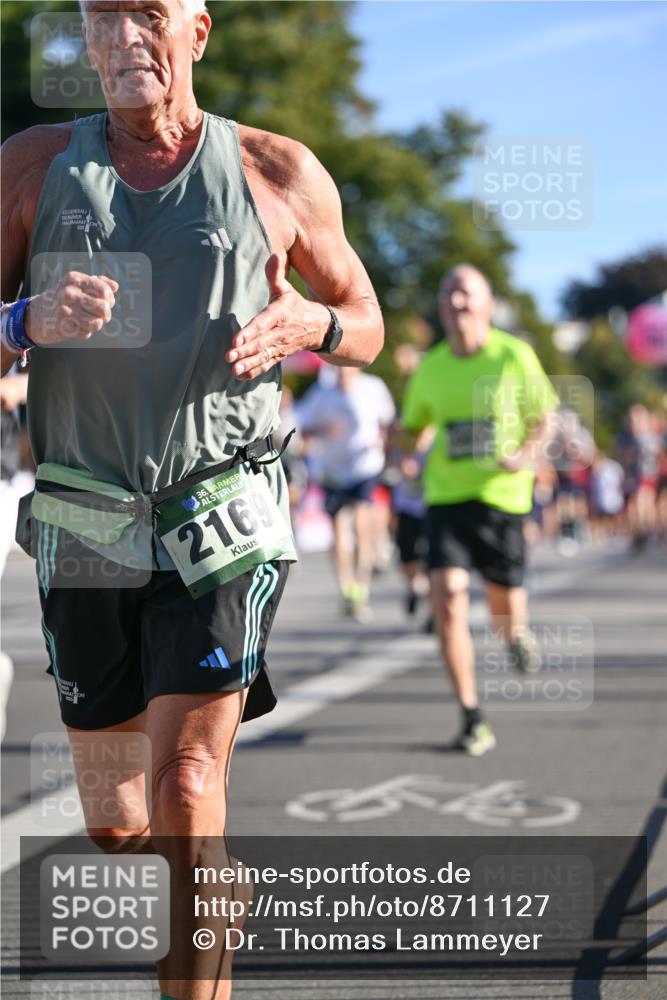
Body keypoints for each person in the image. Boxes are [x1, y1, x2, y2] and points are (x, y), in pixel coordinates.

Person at [1, 2, 383, 997]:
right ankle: (212, 881)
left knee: (188, 788)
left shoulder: (276, 169)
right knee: (121, 820)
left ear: (198, 33)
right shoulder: (35, 166)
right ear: (83, 42)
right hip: (86, 515)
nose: (125, 34)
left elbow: (367, 318)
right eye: (102, 17)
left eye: (149, 13)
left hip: (227, 506)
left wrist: (314, 323)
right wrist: (21, 316)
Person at [401, 264, 558, 756]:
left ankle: (516, 634)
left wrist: (527, 455)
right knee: (446, 593)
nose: (457, 301)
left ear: (488, 304)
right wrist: (408, 453)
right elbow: (417, 426)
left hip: (502, 498)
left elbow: (545, 421)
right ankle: (471, 716)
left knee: (504, 610)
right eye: (449, 293)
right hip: (447, 496)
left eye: (467, 293)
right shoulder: (432, 366)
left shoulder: (515, 356)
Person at [297, 366, 395, 620]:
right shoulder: (322, 393)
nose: (342, 372)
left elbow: (388, 422)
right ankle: (346, 586)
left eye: (347, 367)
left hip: (365, 466)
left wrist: (381, 441)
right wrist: (325, 430)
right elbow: (304, 429)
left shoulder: (372, 387)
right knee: (339, 530)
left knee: (362, 525)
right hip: (333, 471)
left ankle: (361, 586)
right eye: (337, 368)